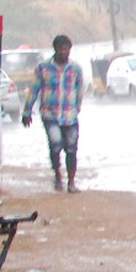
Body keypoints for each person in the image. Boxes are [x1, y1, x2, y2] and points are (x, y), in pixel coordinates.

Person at [22, 35, 84, 193]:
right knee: (55, 144)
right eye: (61, 49)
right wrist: (27, 111)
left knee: (71, 148)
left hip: (70, 115)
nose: (64, 52)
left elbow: (80, 90)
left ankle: (71, 182)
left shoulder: (76, 69)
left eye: (67, 49)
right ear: (55, 49)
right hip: (50, 114)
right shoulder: (43, 68)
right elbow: (34, 89)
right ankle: (57, 175)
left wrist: (77, 107)